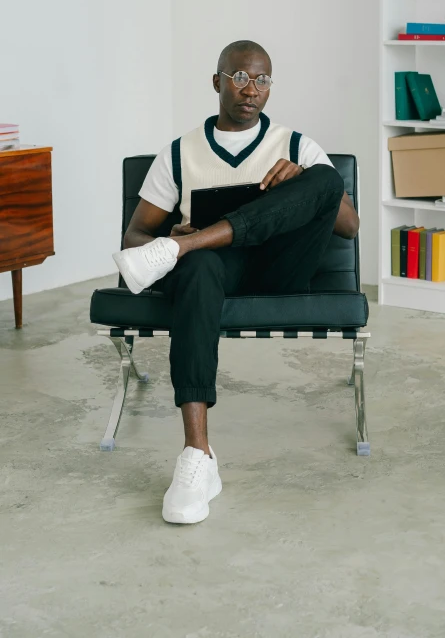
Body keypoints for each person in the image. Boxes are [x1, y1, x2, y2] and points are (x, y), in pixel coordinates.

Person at [113, 40, 359, 525]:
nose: (251, 89)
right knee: (199, 266)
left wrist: (299, 180)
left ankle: (191, 244)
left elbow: (349, 224)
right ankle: (196, 456)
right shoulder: (180, 153)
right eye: (239, 77)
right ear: (217, 81)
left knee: (324, 178)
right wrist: (168, 234)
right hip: (213, 271)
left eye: (262, 79)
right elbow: (136, 235)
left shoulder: (294, 144)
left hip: (281, 268)